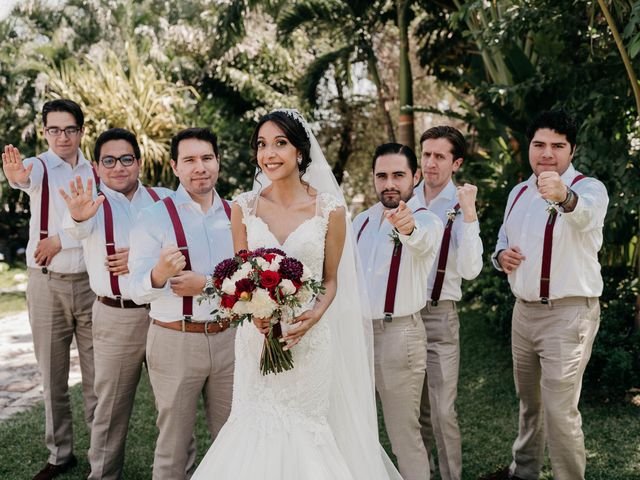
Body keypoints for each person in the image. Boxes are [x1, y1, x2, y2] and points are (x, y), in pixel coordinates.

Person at [192, 109, 404, 480]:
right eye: (261, 144)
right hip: (256, 340)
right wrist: (252, 311)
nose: (268, 153)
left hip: (307, 340)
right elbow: (240, 274)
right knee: (252, 428)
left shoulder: (330, 210)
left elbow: (332, 279)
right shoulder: (243, 207)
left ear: (301, 153)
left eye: (280, 143)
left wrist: (315, 315)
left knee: (306, 432)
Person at [482, 110, 608, 480]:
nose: (547, 153)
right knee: (530, 404)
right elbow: (503, 241)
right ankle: (523, 473)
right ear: (529, 148)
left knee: (559, 410)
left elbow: (584, 217)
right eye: (540, 144)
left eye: (558, 146)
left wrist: (564, 196)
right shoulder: (518, 192)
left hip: (568, 316)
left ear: (572, 150)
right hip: (523, 315)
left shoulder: (588, 188)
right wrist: (500, 256)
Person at [60, 128, 172, 479]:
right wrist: (78, 216)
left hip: (164, 313)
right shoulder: (89, 204)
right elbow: (76, 229)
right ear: (96, 166)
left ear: (138, 162)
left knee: (173, 404)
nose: (118, 167)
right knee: (110, 405)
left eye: (126, 159)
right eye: (109, 160)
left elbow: (189, 246)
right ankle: (104, 474)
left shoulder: (164, 199)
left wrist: (142, 256)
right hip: (115, 315)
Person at [128, 128, 235, 480]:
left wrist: (205, 284)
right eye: (189, 160)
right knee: (174, 447)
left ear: (218, 161)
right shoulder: (153, 217)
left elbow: (247, 282)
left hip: (229, 341)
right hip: (175, 340)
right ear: (175, 166)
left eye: (206, 158)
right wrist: (159, 273)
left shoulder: (238, 216)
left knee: (234, 438)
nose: (199, 167)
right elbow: (135, 289)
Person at [2, 99, 97, 480]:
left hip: (91, 286)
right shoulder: (40, 166)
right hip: (46, 285)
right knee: (53, 377)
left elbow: (96, 224)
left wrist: (60, 239)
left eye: (69, 129)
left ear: (81, 132)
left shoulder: (95, 171)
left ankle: (100, 454)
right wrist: (16, 175)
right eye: (54, 130)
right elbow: (23, 178)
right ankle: (60, 454)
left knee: (97, 377)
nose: (62, 137)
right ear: (44, 133)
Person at [353, 143, 443, 480]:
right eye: (382, 176)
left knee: (404, 436)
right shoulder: (360, 222)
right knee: (358, 430)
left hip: (399, 336)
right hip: (358, 336)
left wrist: (406, 228)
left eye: (398, 175)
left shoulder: (427, 220)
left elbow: (422, 240)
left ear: (415, 177)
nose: (389, 183)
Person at [414, 126, 483, 480]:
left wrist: (469, 213)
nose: (430, 162)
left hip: (440, 316)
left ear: (455, 163)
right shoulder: (405, 199)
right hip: (404, 318)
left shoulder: (461, 204)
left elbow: (471, 270)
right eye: (426, 154)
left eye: (440, 156)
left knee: (442, 410)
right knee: (414, 411)